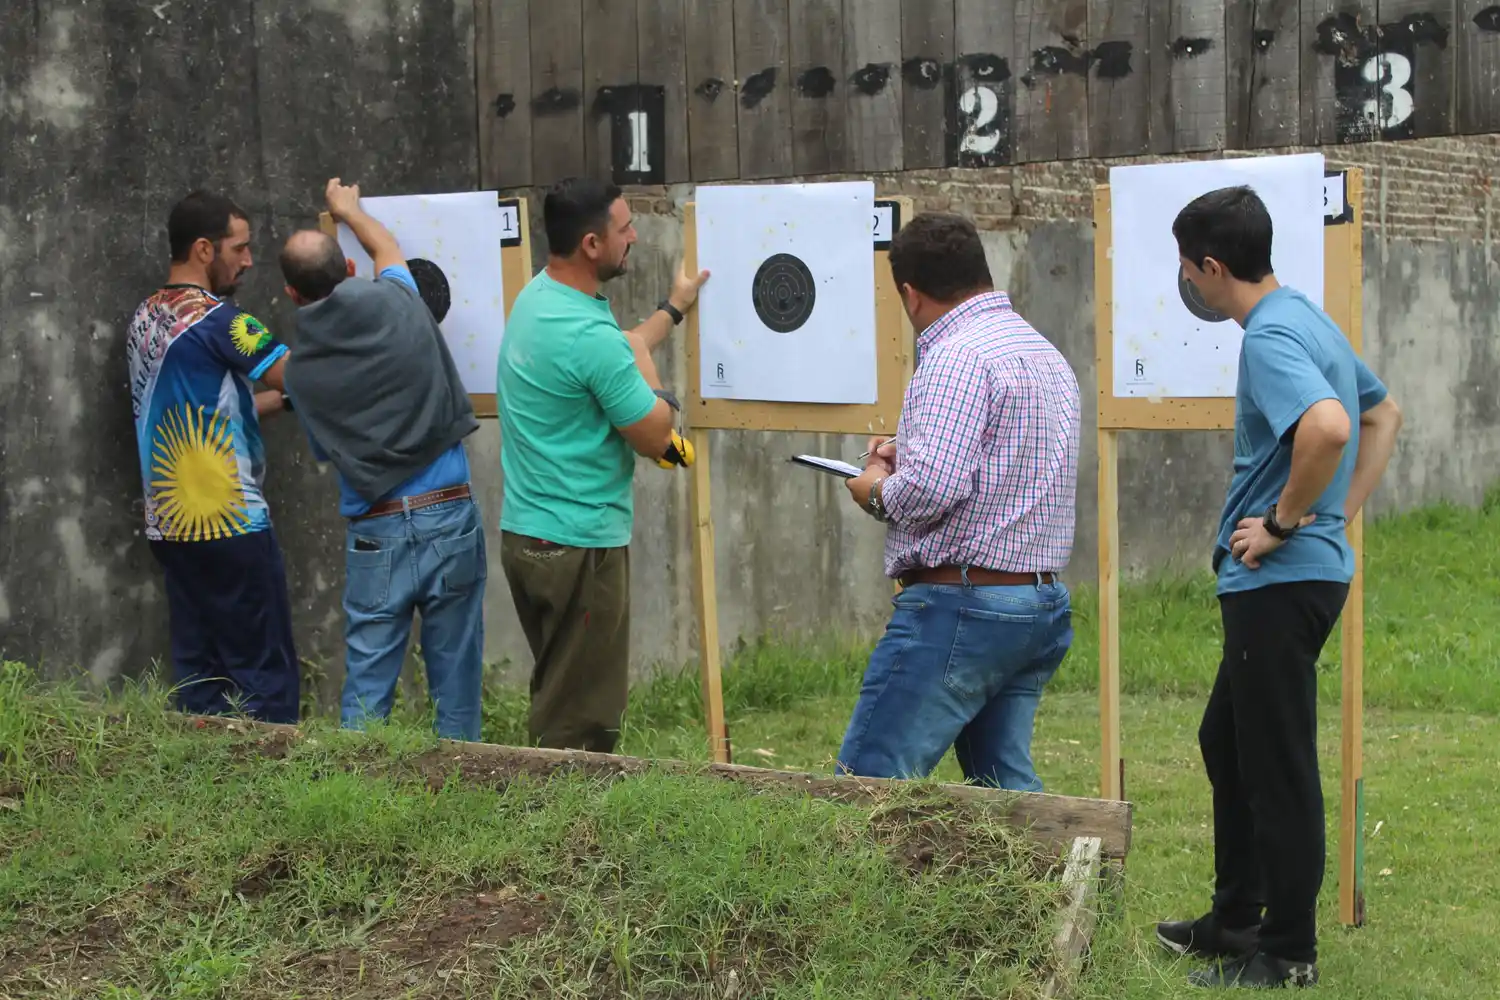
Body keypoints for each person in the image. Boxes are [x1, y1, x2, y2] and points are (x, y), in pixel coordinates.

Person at [1155, 185, 1402, 990]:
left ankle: (1288, 949)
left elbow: (1331, 426)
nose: (1187, 282)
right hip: (1296, 576)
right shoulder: (1304, 314)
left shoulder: (1269, 337)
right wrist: (1336, 518)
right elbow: (1383, 414)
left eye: (1188, 269)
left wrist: (1289, 523)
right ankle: (1236, 919)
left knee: (1277, 765)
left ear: (1212, 267)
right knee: (1225, 741)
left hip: (1279, 580)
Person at [839, 211, 1081, 793]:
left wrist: (873, 485)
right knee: (1003, 792)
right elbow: (998, 465)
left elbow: (931, 490)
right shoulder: (1043, 352)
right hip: (1035, 603)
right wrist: (913, 453)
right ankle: (1052, 887)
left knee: (870, 782)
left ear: (909, 294)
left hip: (963, 605)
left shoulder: (952, 357)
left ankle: (870, 890)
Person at [495, 176, 707, 753]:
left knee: (560, 689)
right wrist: (663, 394)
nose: (635, 236)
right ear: (592, 245)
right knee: (579, 724)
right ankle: (561, 832)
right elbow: (654, 433)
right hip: (580, 548)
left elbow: (619, 351)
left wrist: (674, 308)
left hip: (530, 538)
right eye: (624, 228)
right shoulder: (590, 334)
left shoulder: (541, 298)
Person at [279, 178, 486, 742]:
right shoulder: (399, 296)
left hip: (376, 531)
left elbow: (335, 450)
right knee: (457, 676)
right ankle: (464, 793)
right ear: (349, 269)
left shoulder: (299, 372)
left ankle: (357, 796)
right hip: (448, 515)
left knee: (368, 687)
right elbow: (389, 252)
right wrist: (348, 209)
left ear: (294, 296)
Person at [126, 189, 300, 723]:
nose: (248, 261)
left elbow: (218, 408)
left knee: (200, 676)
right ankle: (273, 791)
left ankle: (205, 788)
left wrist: (287, 400)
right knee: (264, 675)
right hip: (230, 524)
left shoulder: (146, 318)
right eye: (239, 248)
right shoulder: (220, 320)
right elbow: (296, 373)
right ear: (204, 249)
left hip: (172, 527)